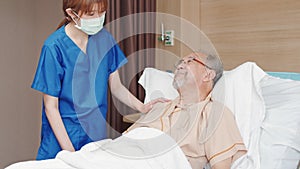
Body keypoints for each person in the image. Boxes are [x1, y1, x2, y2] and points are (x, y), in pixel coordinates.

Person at [31, 0, 166, 160]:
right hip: (62, 137)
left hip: (94, 133)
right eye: (91, 14)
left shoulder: (104, 39)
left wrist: (142, 107)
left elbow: (116, 86)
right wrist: (72, 155)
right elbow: (51, 108)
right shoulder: (54, 48)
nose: (98, 18)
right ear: (71, 13)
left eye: (101, 12)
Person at [126, 51, 247, 169]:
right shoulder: (160, 107)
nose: (179, 66)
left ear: (208, 75)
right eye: (180, 62)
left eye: (190, 61)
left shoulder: (215, 112)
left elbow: (221, 166)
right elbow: (125, 141)